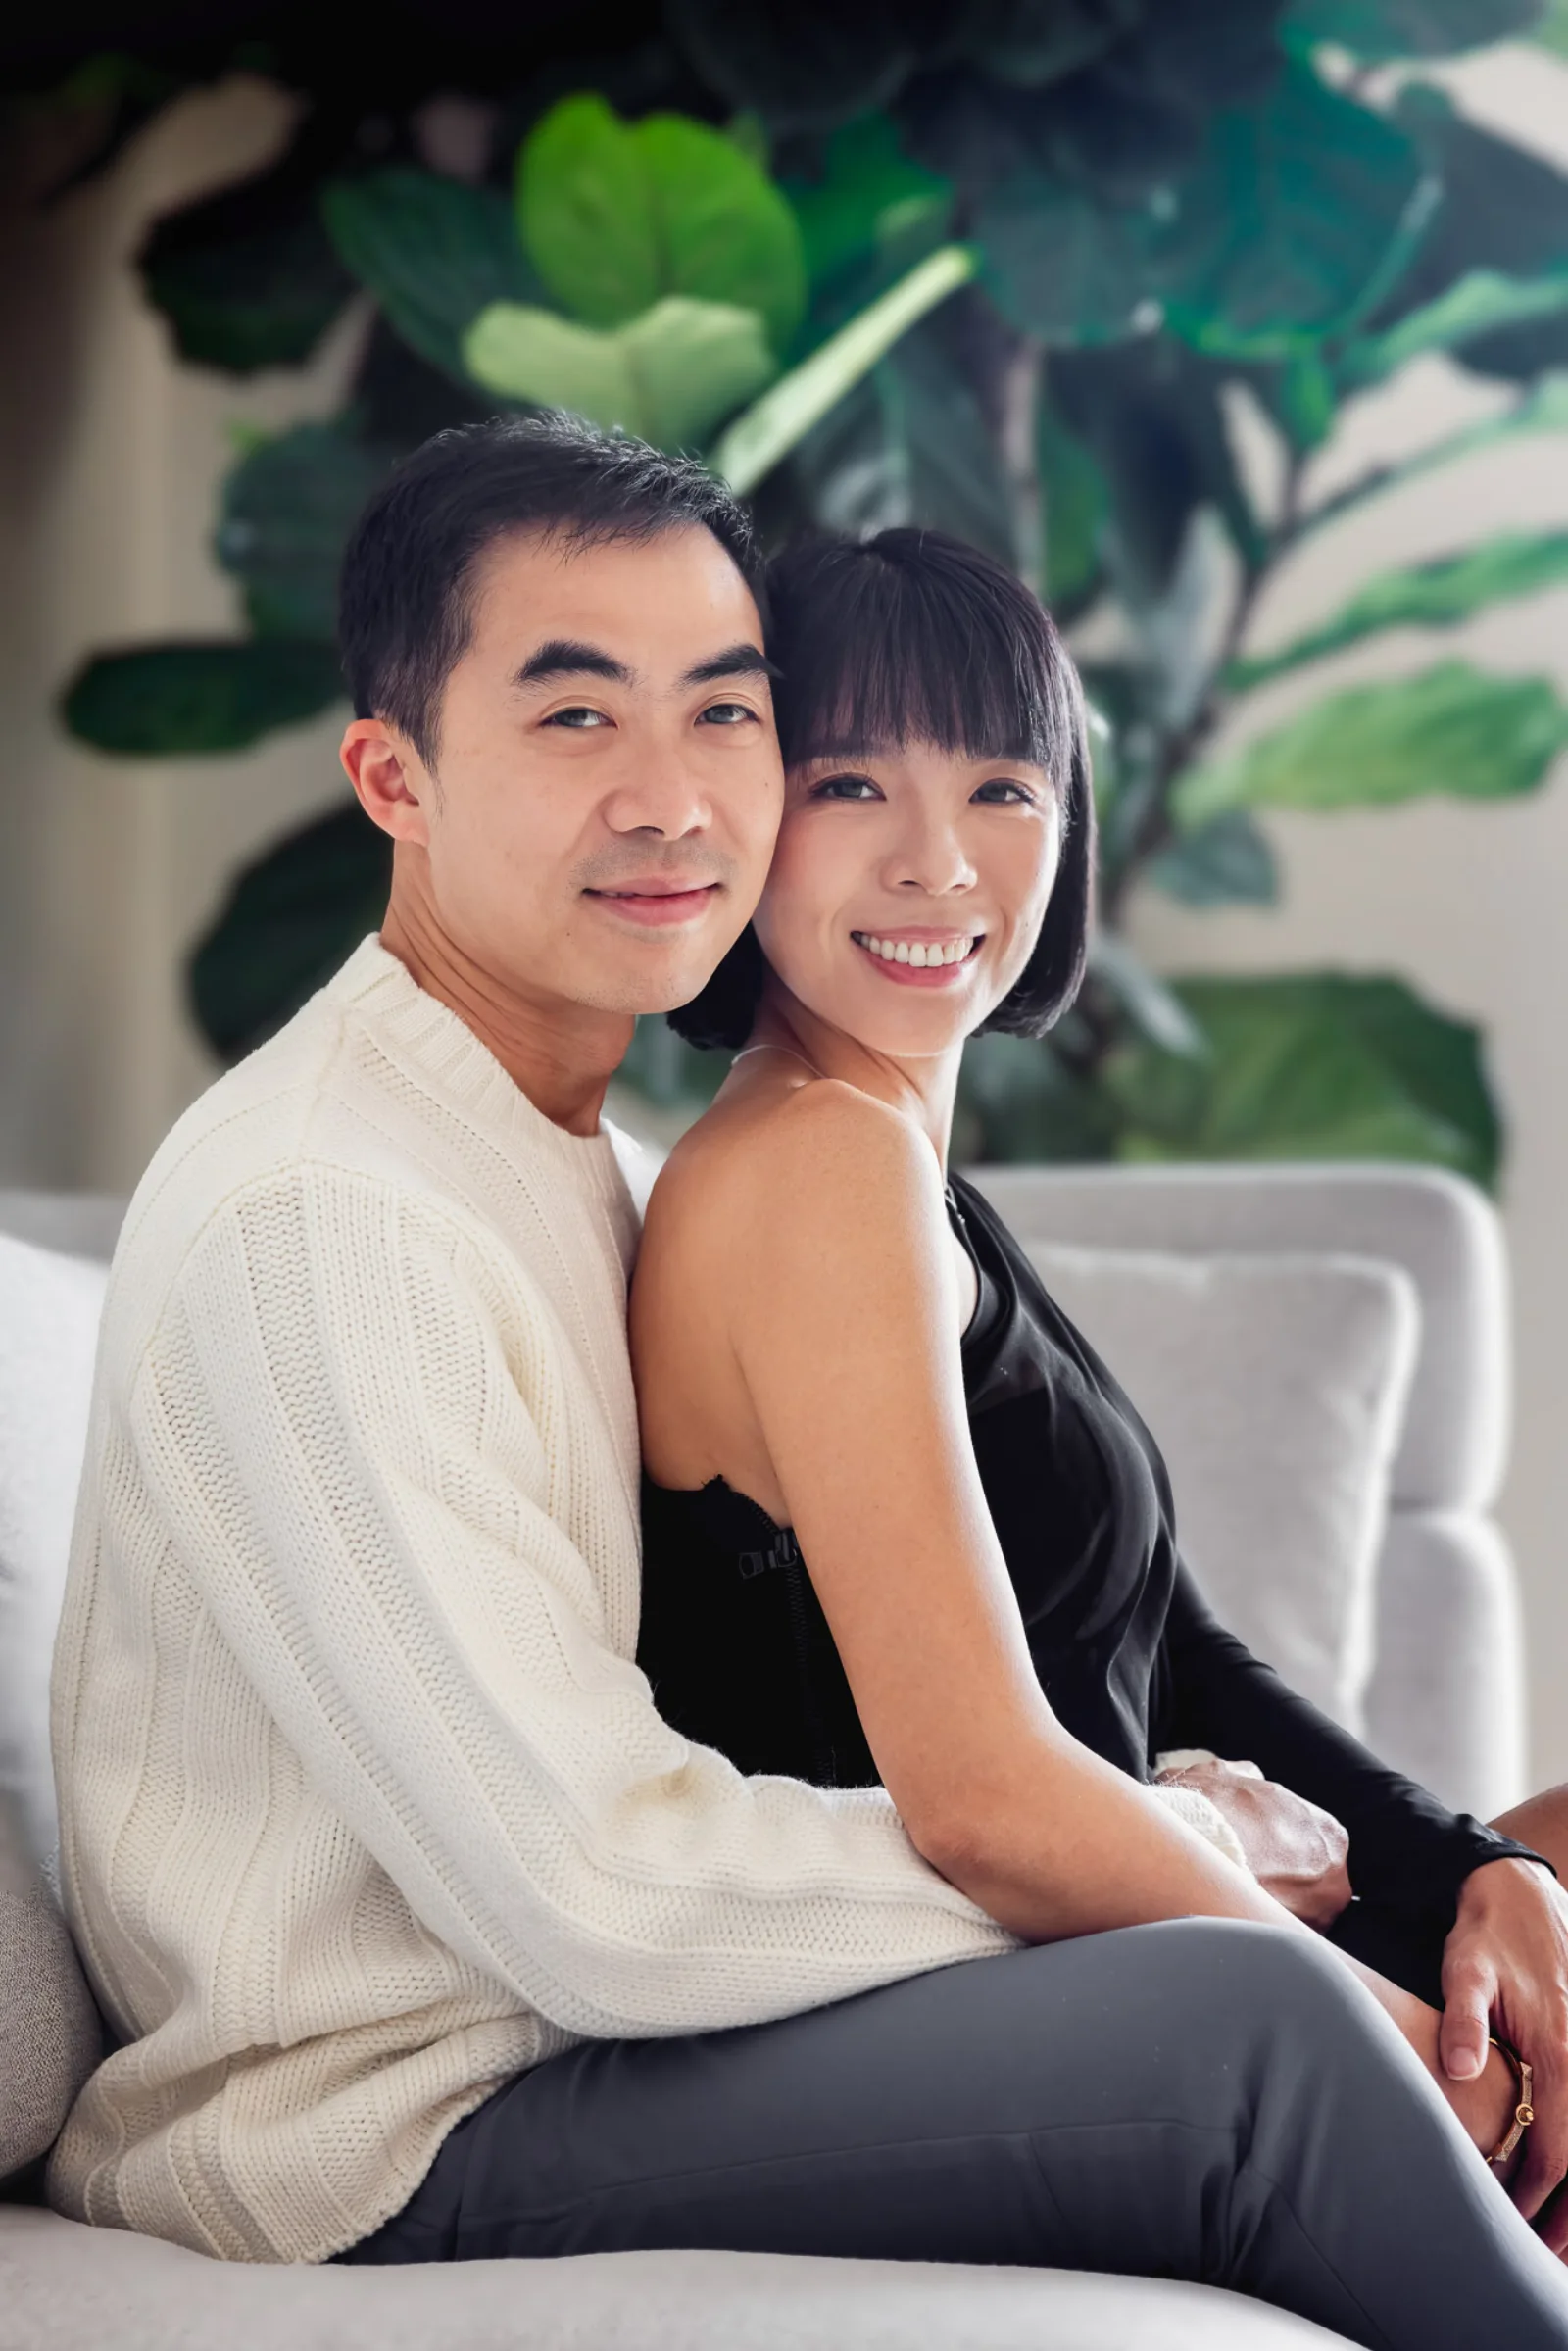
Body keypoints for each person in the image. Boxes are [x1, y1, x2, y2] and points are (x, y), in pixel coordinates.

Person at [43, 416, 1568, 2349]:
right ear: (392, 776)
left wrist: (1434, 1866)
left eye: (724, 714)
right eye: (575, 717)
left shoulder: (576, 1153)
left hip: (603, 2028)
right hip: (382, 2113)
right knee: (1255, 2033)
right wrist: (1184, 1862)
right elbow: (592, 1884)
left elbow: (1131, 1651)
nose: (675, 797)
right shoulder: (321, 1215)